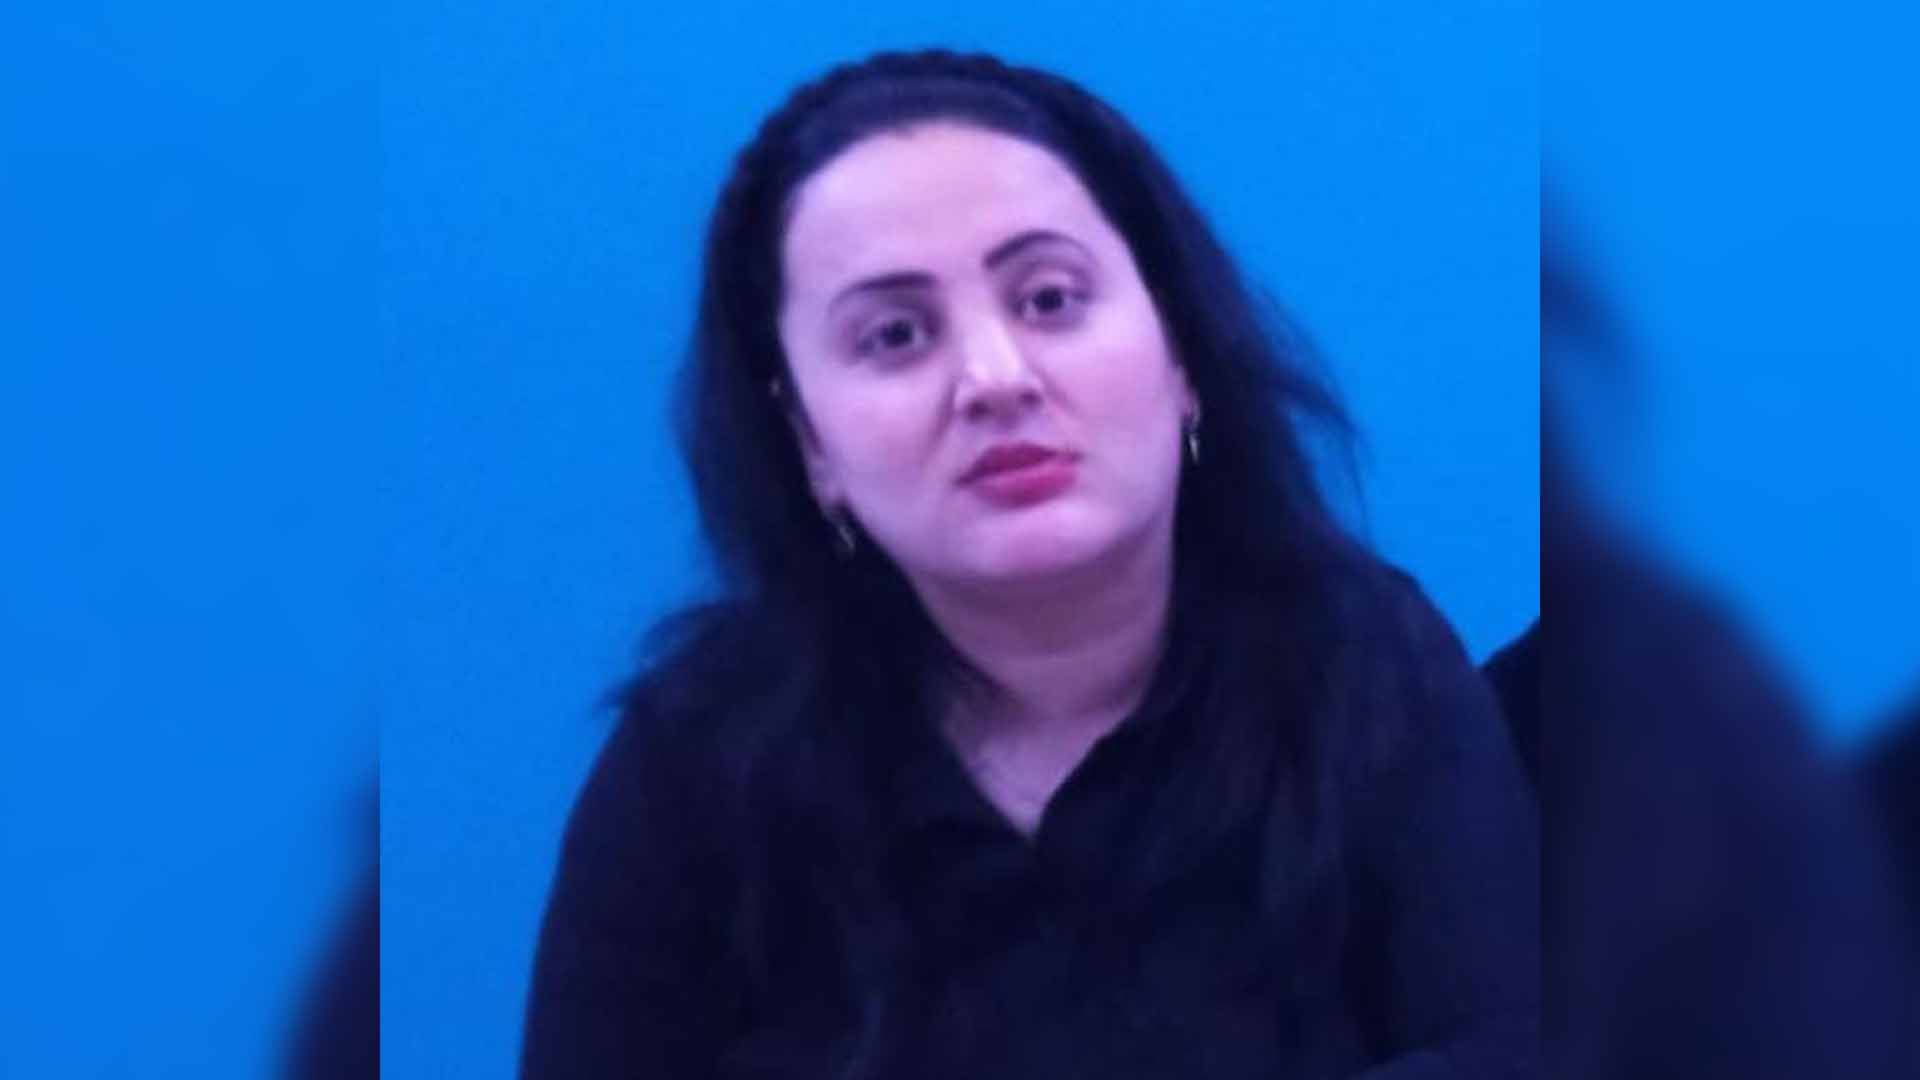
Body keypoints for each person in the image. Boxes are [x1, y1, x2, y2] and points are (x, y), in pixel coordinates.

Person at [520, 49, 1538, 1079]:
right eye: (896, 335)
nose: (994, 378)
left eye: (1049, 299)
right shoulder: (696, 763)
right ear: (812, 445)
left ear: (1181, 354)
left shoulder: (1364, 668)